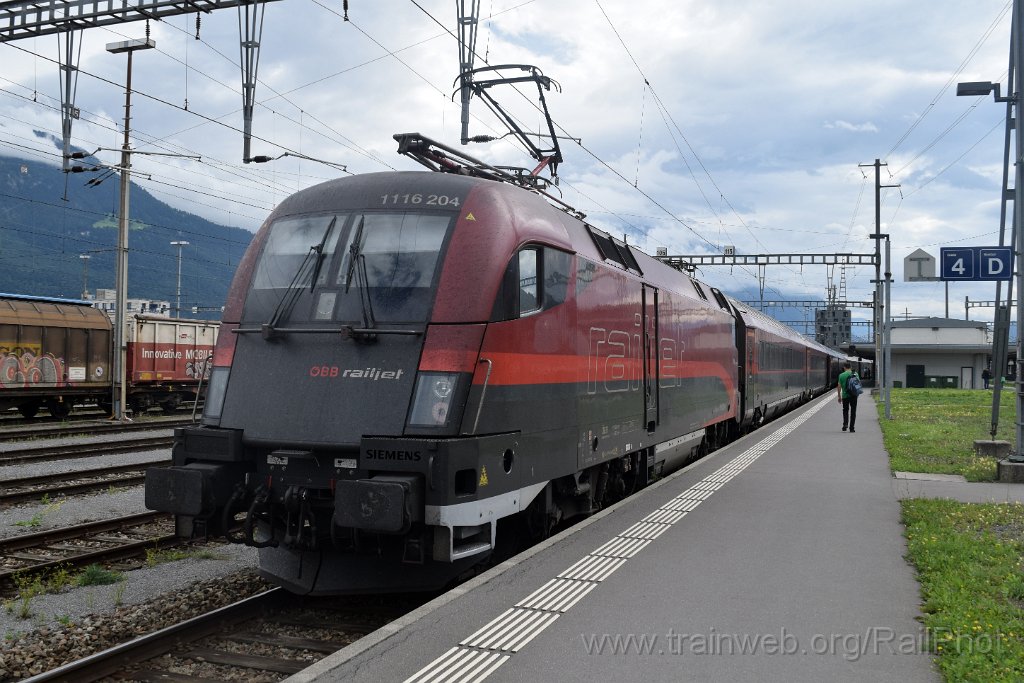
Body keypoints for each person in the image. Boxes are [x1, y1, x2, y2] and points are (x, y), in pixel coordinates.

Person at [837, 362, 858, 433]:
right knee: (853, 411)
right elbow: (858, 384)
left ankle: (845, 424)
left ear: (844, 367)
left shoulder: (841, 375)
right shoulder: (855, 374)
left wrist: (839, 396)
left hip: (845, 395)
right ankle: (852, 428)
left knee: (845, 410)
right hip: (854, 395)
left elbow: (839, 386)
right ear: (850, 367)